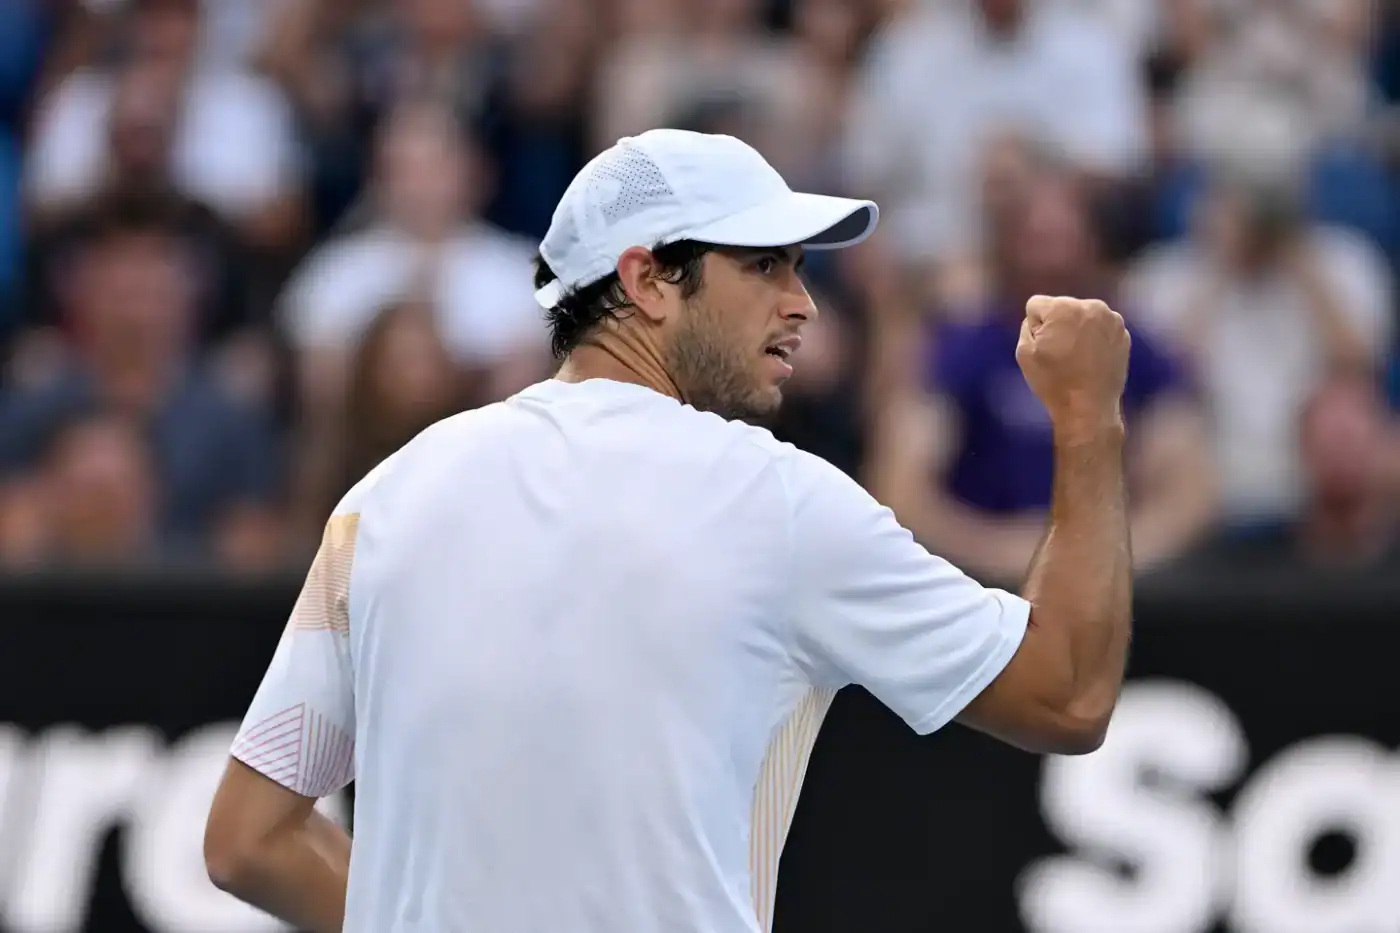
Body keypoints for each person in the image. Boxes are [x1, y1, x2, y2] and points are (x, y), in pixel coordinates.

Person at [204, 129, 1133, 933]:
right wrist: (1088, 418)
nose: (802, 301)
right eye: (763, 264)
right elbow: (1067, 693)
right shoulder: (776, 500)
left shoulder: (388, 496)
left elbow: (251, 837)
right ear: (646, 279)